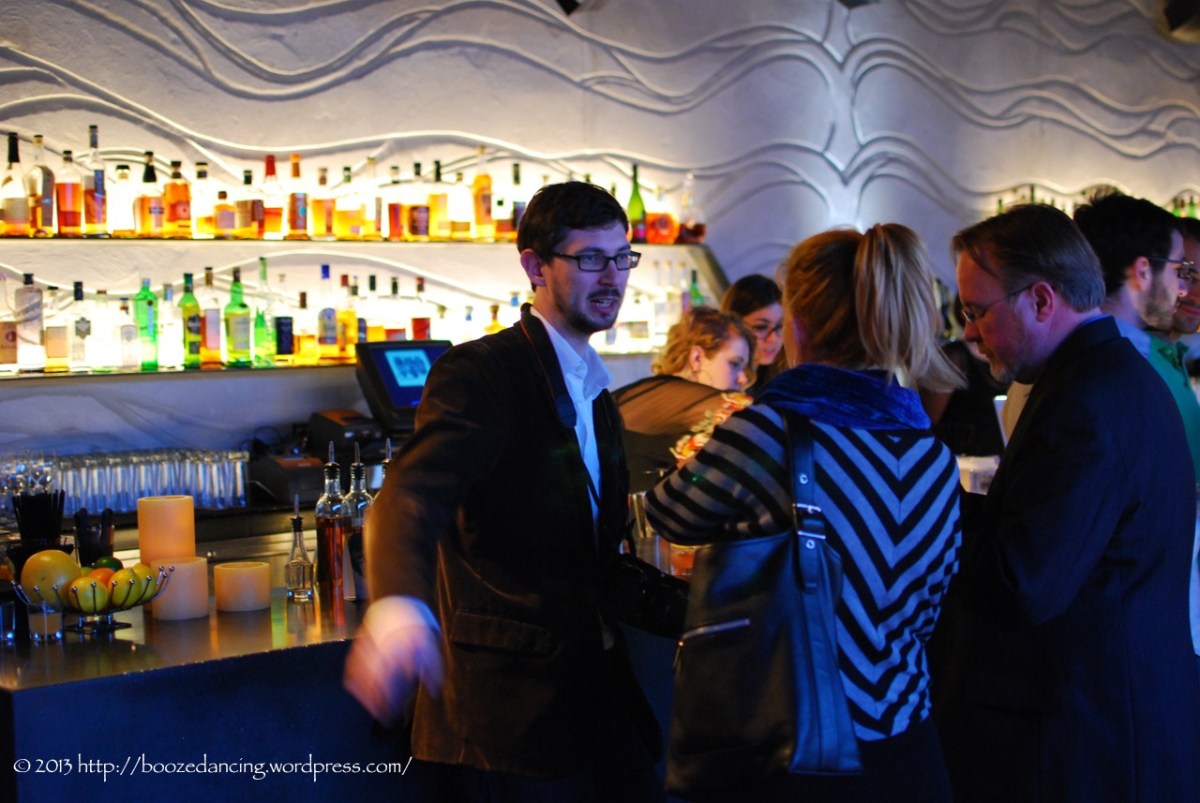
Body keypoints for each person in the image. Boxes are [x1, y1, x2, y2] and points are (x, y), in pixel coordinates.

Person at [342, 181, 665, 802]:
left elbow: (591, 555)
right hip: (508, 713)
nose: (612, 277)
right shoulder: (482, 372)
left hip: (596, 695)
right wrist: (397, 609)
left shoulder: (596, 391)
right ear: (535, 267)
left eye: (621, 257)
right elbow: (408, 497)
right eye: (589, 258)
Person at [645, 224, 965, 802]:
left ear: (800, 324)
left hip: (798, 746)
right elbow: (929, 602)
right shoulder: (932, 453)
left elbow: (670, 513)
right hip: (910, 744)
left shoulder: (768, 430)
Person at [932, 203, 1200, 802]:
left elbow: (1024, 583)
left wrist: (925, 512)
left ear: (1040, 300)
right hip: (1113, 721)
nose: (969, 332)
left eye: (976, 311)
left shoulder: (1087, 400)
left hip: (1087, 739)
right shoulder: (1108, 376)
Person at [613, 306, 755, 491]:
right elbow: (746, 411)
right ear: (697, 358)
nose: (743, 378)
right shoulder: (669, 397)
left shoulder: (655, 399)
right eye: (735, 364)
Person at [921, 296, 1009, 456]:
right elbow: (927, 422)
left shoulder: (1013, 357)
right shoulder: (954, 357)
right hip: (963, 459)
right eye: (972, 313)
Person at [721, 273, 785, 395]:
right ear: (733, 324)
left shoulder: (780, 379)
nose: (773, 338)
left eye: (779, 326)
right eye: (761, 327)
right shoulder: (721, 382)